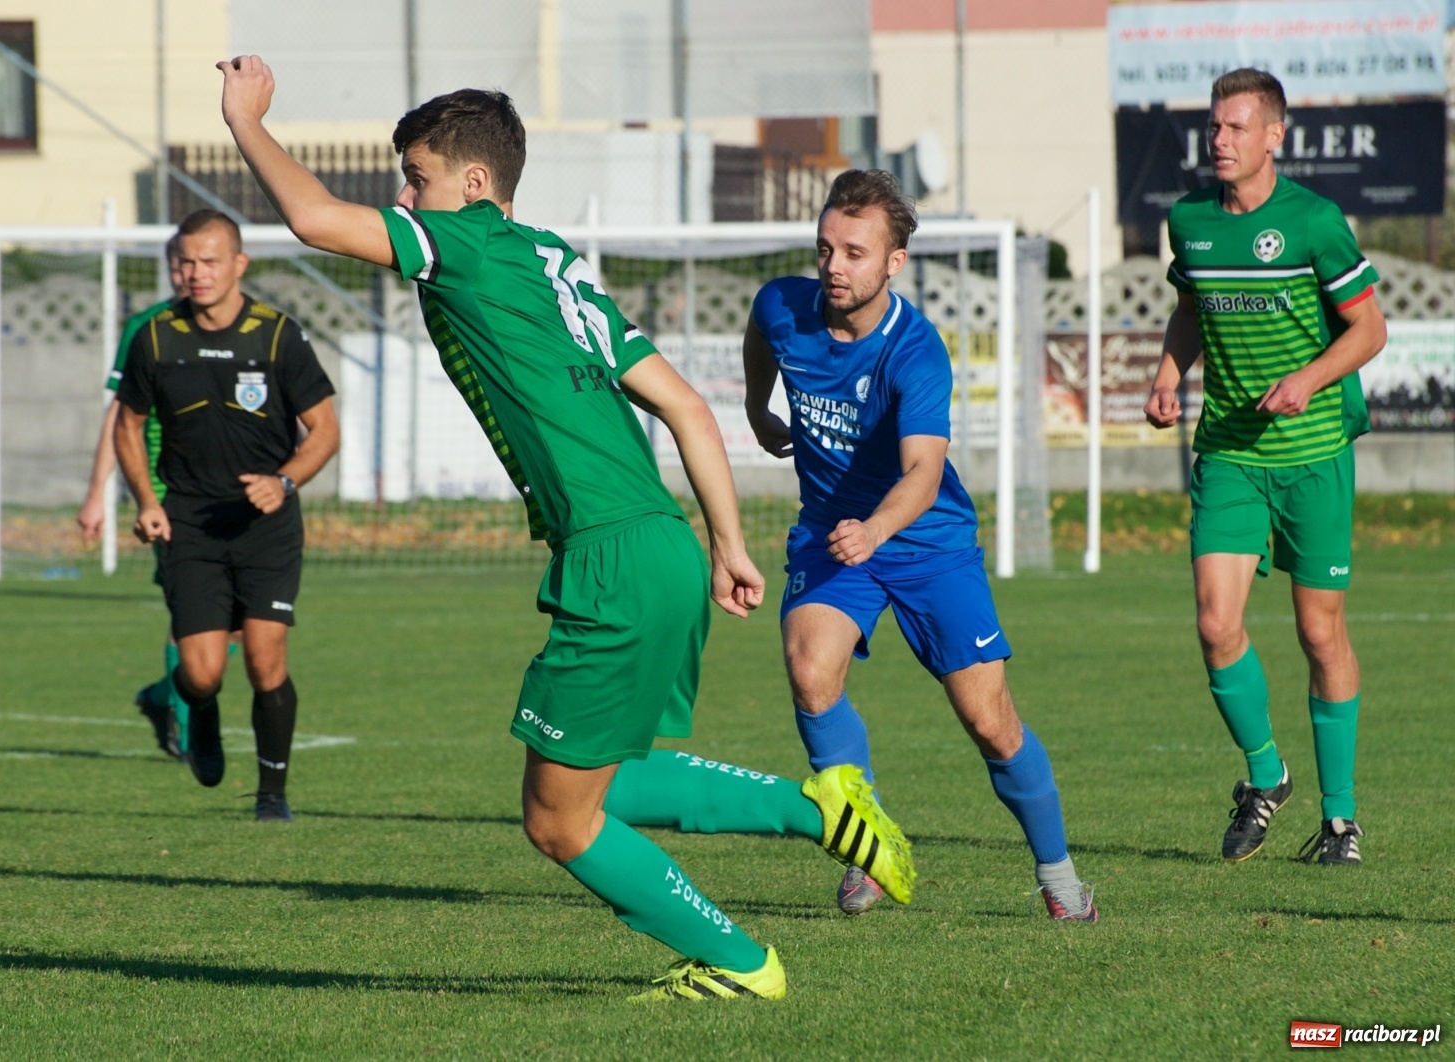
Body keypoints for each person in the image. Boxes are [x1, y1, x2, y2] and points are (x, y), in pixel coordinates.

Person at [218, 56, 916, 1002]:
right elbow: (690, 411)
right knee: (606, 782)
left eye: (413, 178)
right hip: (662, 544)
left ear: (472, 185)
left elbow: (310, 219)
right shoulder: (553, 267)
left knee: (556, 821)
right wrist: (726, 545)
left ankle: (741, 963)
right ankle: (826, 807)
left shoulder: (463, 243)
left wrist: (247, 119)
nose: (401, 198)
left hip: (614, 559)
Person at [743, 169, 1097, 921]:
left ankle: (1060, 876)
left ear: (893, 262)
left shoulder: (916, 352)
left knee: (989, 719)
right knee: (811, 672)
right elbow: (759, 335)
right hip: (830, 533)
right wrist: (756, 408)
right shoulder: (784, 305)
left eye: (855, 253)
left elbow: (922, 470)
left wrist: (875, 530)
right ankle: (868, 850)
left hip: (925, 539)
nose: (834, 266)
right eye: (826, 247)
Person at [1144, 69, 1385, 866]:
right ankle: (1266, 778)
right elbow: (1190, 308)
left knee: (1321, 633)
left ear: (1274, 137)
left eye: (1237, 128)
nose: (1220, 140)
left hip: (1313, 457)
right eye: (1214, 127)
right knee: (1216, 624)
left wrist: (1309, 380)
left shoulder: (1314, 222)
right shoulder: (1191, 222)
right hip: (1230, 455)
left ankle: (1342, 821)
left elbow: (1369, 330)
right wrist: (1167, 373)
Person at [115, 208, 341, 823]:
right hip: (190, 526)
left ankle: (273, 795)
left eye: (210, 260)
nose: (196, 272)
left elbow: (324, 430)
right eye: (185, 261)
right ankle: (193, 709)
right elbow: (128, 425)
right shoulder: (156, 337)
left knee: (267, 660)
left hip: (266, 525)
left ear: (239, 264)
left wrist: (285, 481)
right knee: (202, 672)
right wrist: (147, 502)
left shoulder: (276, 336)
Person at [77, 237, 210, 760]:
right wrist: (97, 496)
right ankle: (188, 732)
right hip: (165, 491)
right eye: (180, 264)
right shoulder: (147, 327)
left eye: (199, 262)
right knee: (193, 612)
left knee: (239, 625)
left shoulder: (245, 325)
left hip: (224, 491)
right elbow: (119, 414)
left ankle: (161, 698)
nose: (188, 274)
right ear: (171, 269)